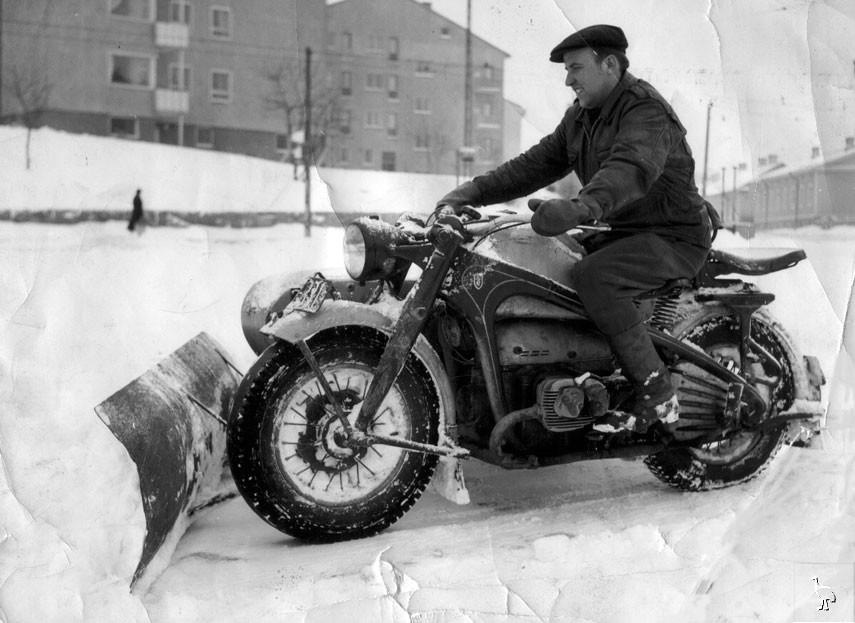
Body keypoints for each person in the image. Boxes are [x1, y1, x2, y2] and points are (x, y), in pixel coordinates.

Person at [435, 24, 720, 436]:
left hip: (673, 236)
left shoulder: (645, 111)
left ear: (610, 65)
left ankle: (656, 390)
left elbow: (630, 169)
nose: (569, 79)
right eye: (566, 70)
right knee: (545, 262)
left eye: (575, 68)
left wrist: (581, 207)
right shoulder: (582, 117)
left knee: (594, 276)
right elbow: (534, 165)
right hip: (622, 231)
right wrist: (472, 193)